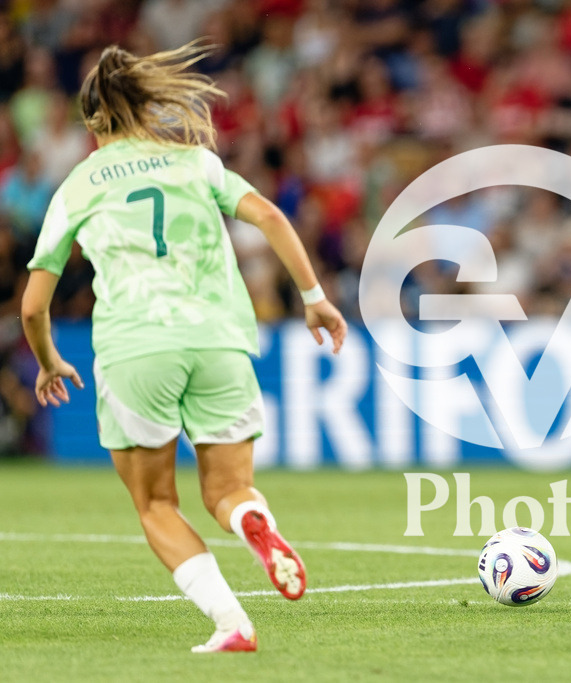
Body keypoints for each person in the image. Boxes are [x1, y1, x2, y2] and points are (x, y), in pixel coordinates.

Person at [21, 43, 348, 651]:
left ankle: (233, 623)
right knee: (227, 491)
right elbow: (271, 217)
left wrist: (47, 360)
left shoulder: (77, 184)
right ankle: (252, 520)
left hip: (136, 346)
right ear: (146, 106)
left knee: (155, 503)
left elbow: (33, 306)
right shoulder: (195, 162)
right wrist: (313, 297)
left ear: (91, 121)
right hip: (220, 339)